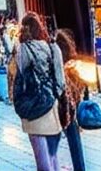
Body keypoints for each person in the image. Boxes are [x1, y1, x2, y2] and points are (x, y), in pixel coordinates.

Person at [16, 12, 64, 171]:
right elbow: (60, 81)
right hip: (51, 109)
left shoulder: (24, 49)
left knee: (43, 163)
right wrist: (53, 96)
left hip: (33, 109)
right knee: (53, 158)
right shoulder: (52, 47)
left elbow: (20, 74)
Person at [55, 29, 87, 171]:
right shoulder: (74, 65)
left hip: (59, 107)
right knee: (74, 140)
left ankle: (54, 164)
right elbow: (81, 85)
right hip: (72, 107)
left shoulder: (57, 64)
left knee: (52, 140)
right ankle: (79, 167)